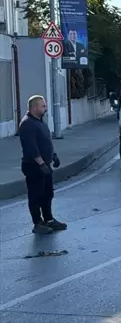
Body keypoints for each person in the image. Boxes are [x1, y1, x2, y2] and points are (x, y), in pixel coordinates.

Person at [18, 95, 68, 234]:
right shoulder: (27, 124)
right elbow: (31, 147)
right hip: (33, 167)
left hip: (45, 164)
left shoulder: (40, 122)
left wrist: (53, 156)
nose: (45, 108)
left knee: (47, 194)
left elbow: (46, 142)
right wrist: (41, 164)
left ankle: (49, 220)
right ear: (34, 108)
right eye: (43, 106)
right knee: (36, 196)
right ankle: (38, 223)